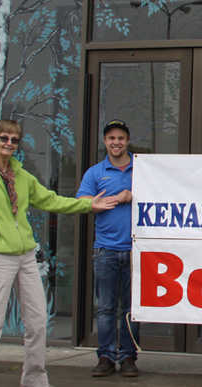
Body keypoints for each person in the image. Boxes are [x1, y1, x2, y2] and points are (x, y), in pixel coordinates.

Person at [0, 119, 117, 387]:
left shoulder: (23, 177)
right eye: (4, 138)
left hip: (26, 256)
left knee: (38, 322)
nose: (9, 143)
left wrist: (89, 204)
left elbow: (51, 200)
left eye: (14, 140)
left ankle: (35, 381)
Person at [77, 119, 140, 378]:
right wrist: (95, 202)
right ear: (105, 141)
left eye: (121, 138)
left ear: (127, 141)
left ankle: (128, 358)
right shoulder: (95, 172)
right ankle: (105, 357)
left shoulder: (143, 168)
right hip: (105, 250)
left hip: (137, 249)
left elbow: (163, 191)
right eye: (111, 138)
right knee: (105, 308)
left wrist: (131, 193)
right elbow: (81, 201)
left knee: (131, 310)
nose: (116, 142)